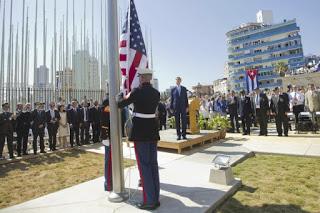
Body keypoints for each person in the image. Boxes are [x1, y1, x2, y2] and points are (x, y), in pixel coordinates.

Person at [117, 68, 160, 210]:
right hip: (152, 132)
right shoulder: (156, 93)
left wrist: (119, 97)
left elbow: (121, 104)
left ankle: (149, 201)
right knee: (153, 165)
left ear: (142, 78)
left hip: (141, 132)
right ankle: (155, 197)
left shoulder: (137, 91)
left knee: (144, 166)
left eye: (139, 76)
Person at [100, 97, 112, 191]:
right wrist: (106, 137)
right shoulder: (107, 102)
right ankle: (108, 182)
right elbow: (104, 122)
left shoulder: (110, 101)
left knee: (112, 161)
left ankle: (111, 180)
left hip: (112, 137)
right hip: (107, 137)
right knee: (108, 160)